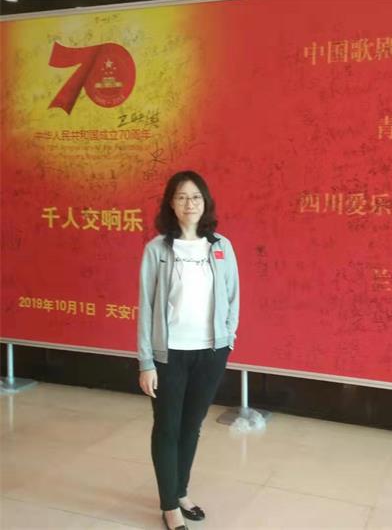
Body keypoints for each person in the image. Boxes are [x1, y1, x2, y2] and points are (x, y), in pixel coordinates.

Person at [137, 170, 239, 530]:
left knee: (192, 426)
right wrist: (146, 362)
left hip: (210, 353)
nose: (189, 203)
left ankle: (180, 492)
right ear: (171, 204)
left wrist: (228, 338)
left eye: (195, 197)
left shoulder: (221, 246)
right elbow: (146, 307)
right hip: (169, 355)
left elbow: (232, 295)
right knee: (167, 427)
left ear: (205, 202)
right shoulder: (157, 249)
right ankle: (169, 506)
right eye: (181, 197)